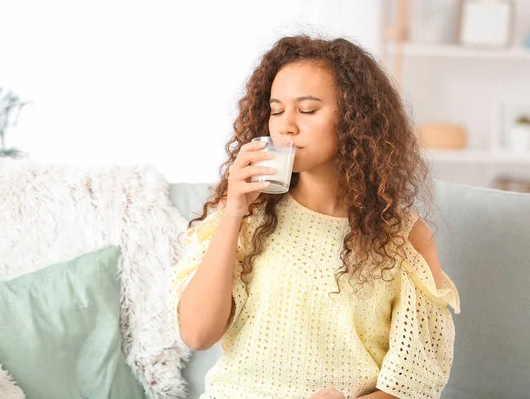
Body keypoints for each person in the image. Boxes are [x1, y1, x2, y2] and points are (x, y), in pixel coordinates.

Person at [169, 35, 461, 399]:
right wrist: (234, 214)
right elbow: (197, 334)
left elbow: (416, 381)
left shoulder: (403, 236)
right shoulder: (246, 216)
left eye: (306, 110)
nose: (286, 126)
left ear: (357, 119)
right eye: (276, 110)